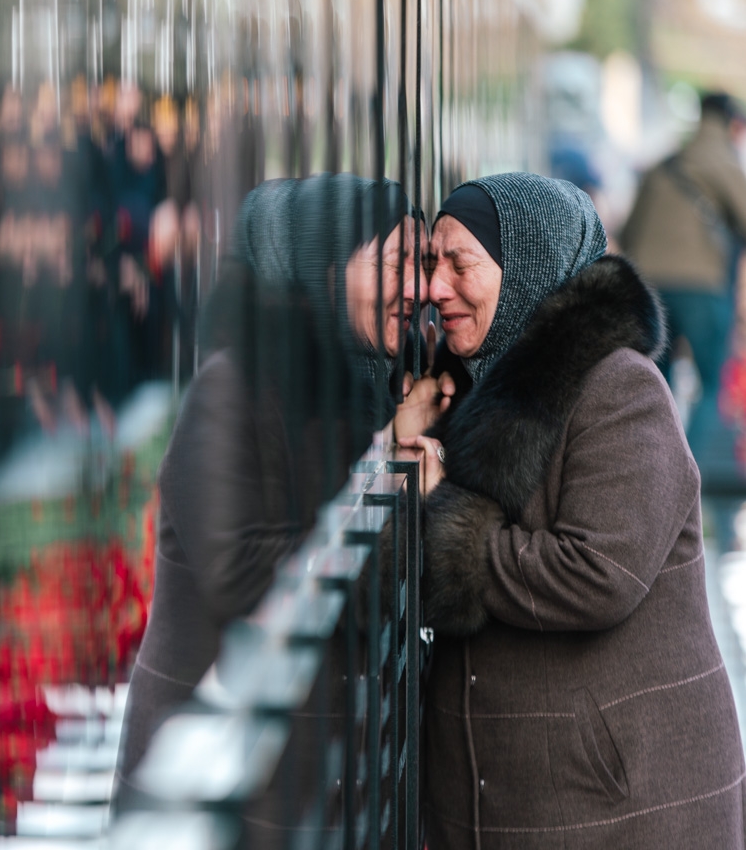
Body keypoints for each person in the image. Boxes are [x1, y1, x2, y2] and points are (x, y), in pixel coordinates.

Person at [406, 173, 745, 848]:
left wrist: (445, 522)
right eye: (429, 264)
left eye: (459, 264)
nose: (435, 288)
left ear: (528, 265)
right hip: (509, 801)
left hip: (620, 808)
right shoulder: (454, 389)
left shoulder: (617, 388)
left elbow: (599, 572)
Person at [116, 174, 424, 819]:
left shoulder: (368, 385)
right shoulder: (231, 389)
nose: (417, 289)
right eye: (395, 263)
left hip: (304, 770)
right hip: (221, 771)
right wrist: (403, 513)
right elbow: (239, 571)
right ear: (322, 268)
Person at [622, 92, 746, 483]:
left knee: (657, 382)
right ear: (732, 125)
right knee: (711, 382)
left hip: (648, 290)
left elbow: (627, 232)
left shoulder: (663, 166)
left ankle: (653, 470)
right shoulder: (726, 165)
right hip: (701, 288)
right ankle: (682, 475)